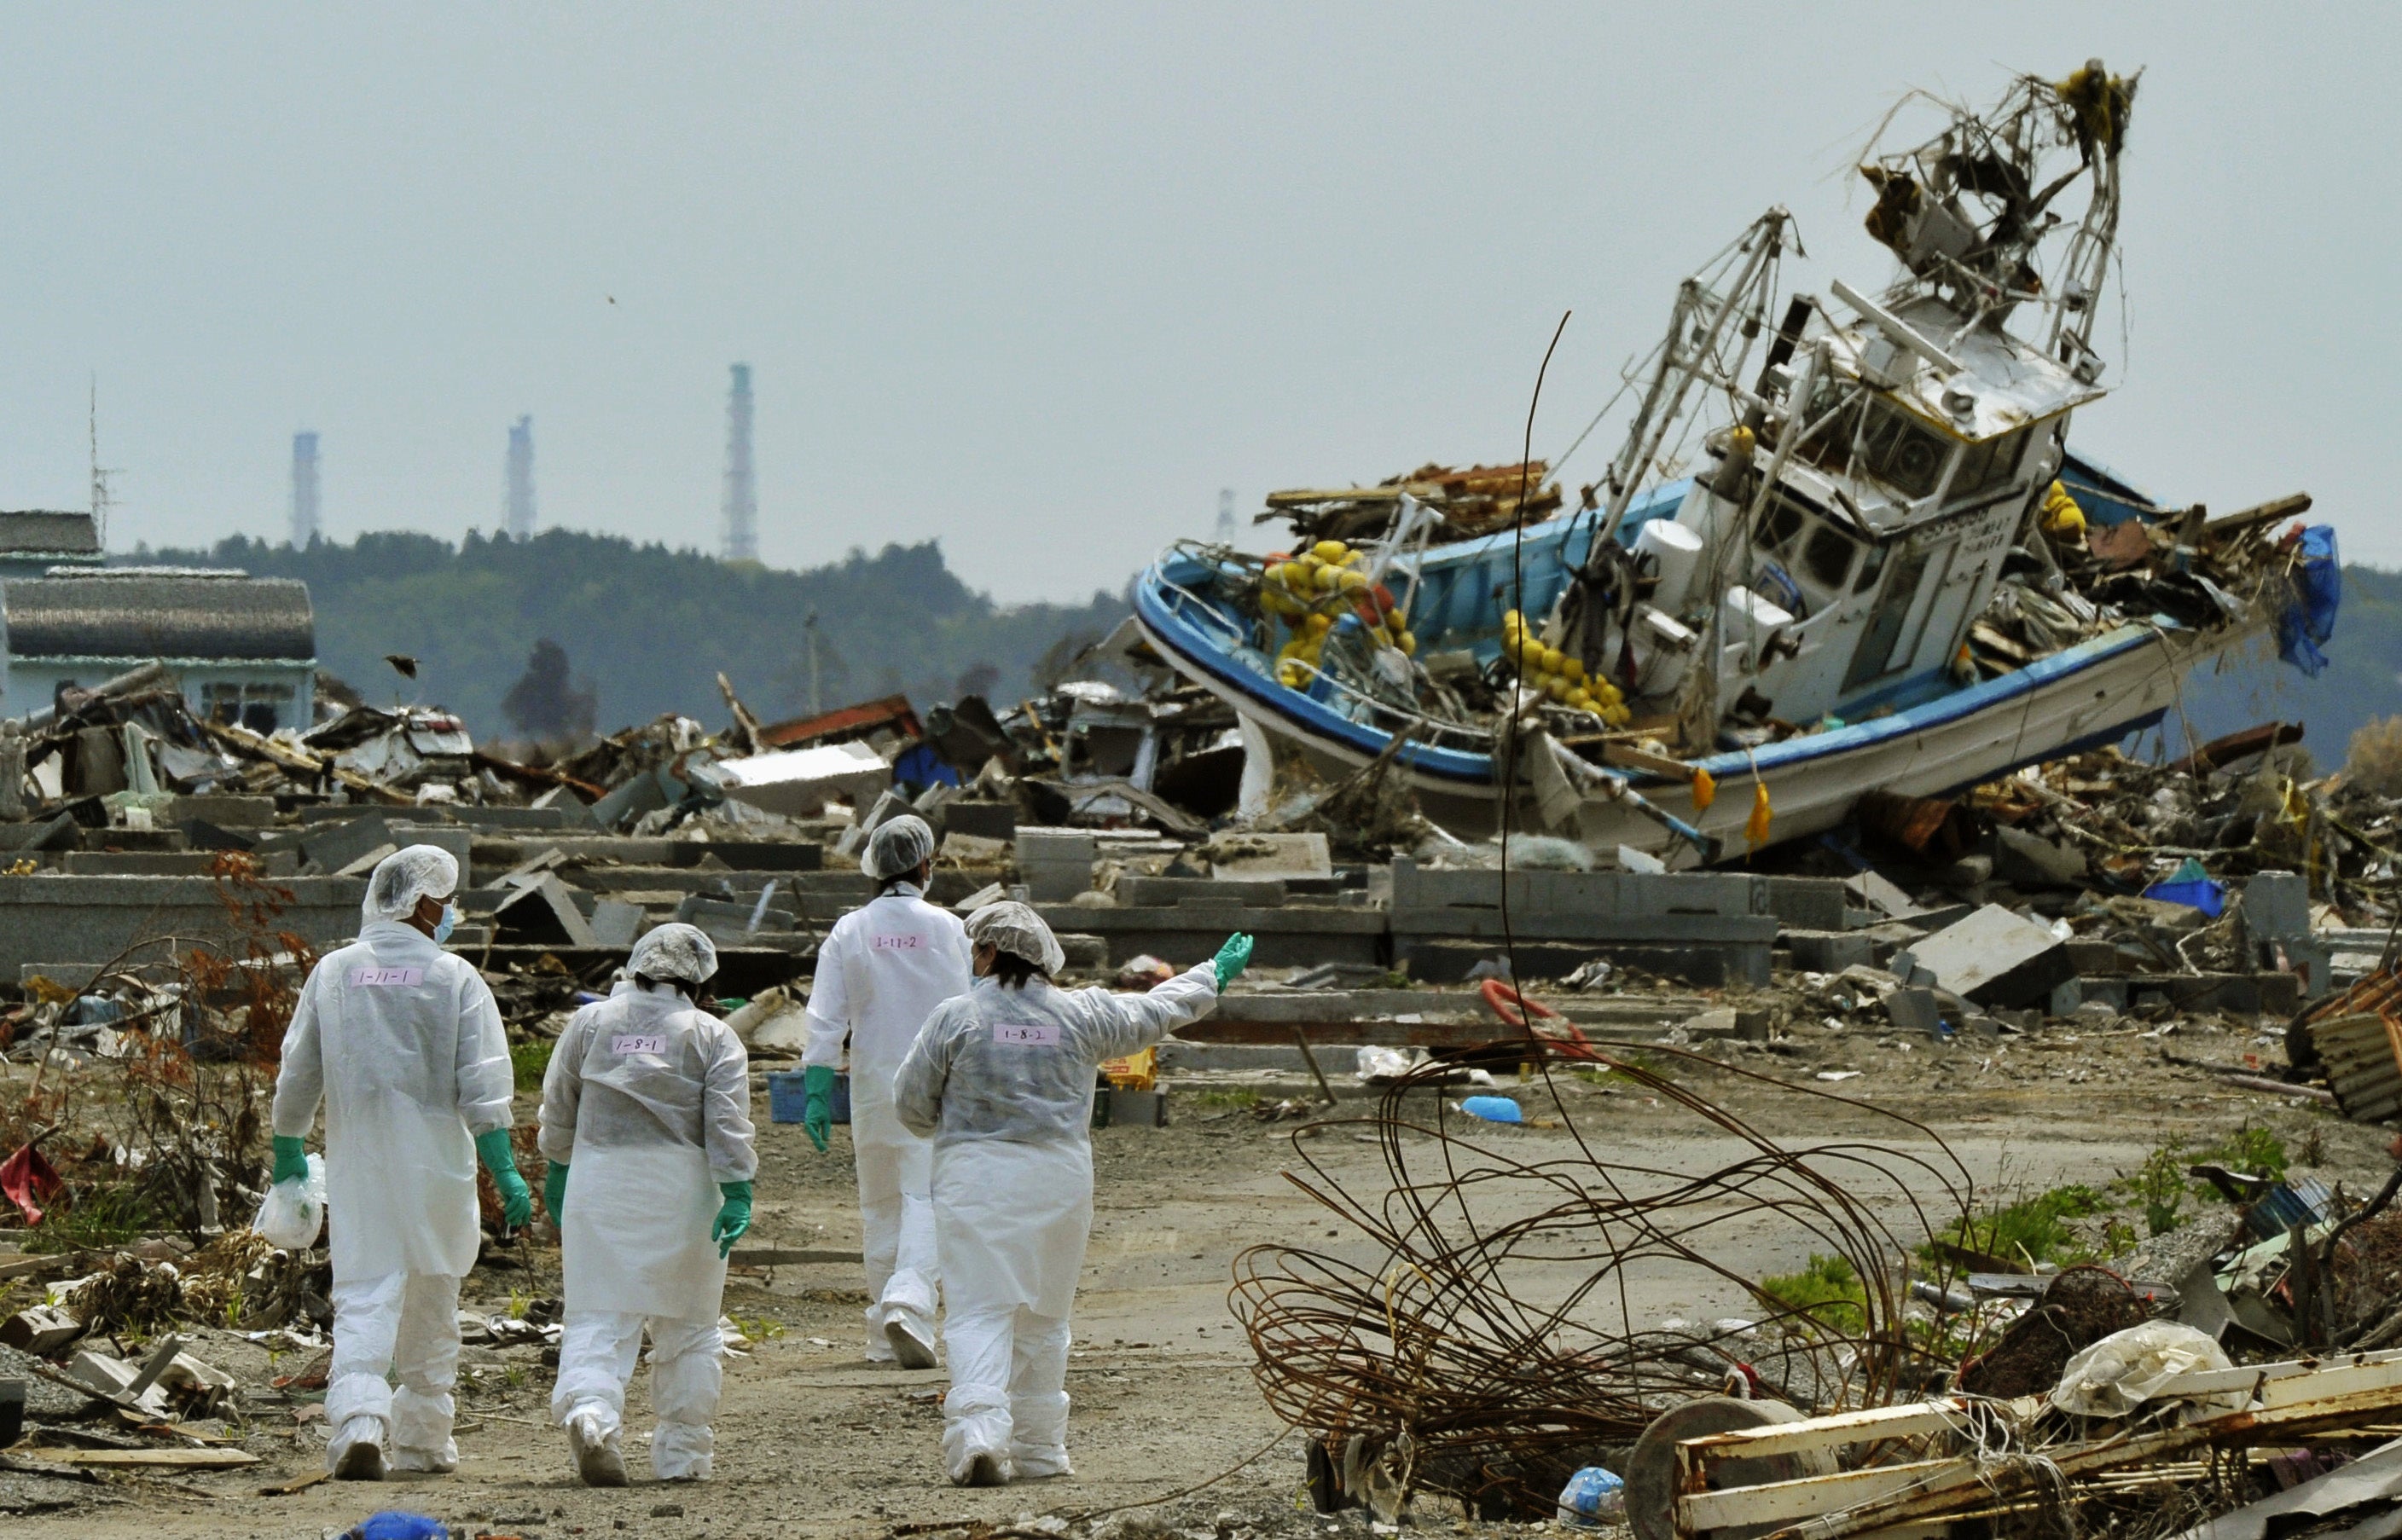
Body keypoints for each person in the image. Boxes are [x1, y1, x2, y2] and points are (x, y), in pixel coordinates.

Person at [894, 902, 1252, 1485]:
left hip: (978, 1176)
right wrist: (1212, 973)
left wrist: (955, 1117)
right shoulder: (1083, 1014)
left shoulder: (955, 1018)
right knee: (1045, 1314)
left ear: (987, 951)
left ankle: (981, 1434)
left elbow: (910, 1102)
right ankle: (1039, 1450)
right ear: (1044, 956)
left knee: (981, 1310)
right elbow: (1157, 1010)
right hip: (1060, 1178)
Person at [271, 845, 531, 1481]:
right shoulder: (454, 979)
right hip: (437, 1169)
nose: (450, 913)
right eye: (444, 901)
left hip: (362, 1169)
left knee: (365, 1295)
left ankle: (360, 1423)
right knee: (434, 1297)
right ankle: (423, 1442)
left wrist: (287, 1151)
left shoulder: (334, 973)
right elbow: (484, 1084)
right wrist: (506, 1172)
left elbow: (298, 1071)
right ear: (421, 905)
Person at [539, 922, 757, 1486]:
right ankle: (684, 1455)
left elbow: (558, 1103)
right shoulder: (713, 1035)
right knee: (689, 1326)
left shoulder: (590, 1023)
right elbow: (728, 1125)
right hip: (683, 1193)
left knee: (599, 1314)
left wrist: (558, 1168)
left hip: (599, 1183)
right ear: (700, 979)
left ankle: (591, 1416)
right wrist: (737, 1189)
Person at [800, 814, 972, 1368]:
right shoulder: (951, 929)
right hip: (941, 1087)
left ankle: (882, 1338)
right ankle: (909, 1304)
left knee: (880, 1209)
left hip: (874, 1086)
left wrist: (816, 1090)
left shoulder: (850, 930)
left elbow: (825, 1018)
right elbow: (977, 1008)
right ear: (925, 866)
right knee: (931, 1201)